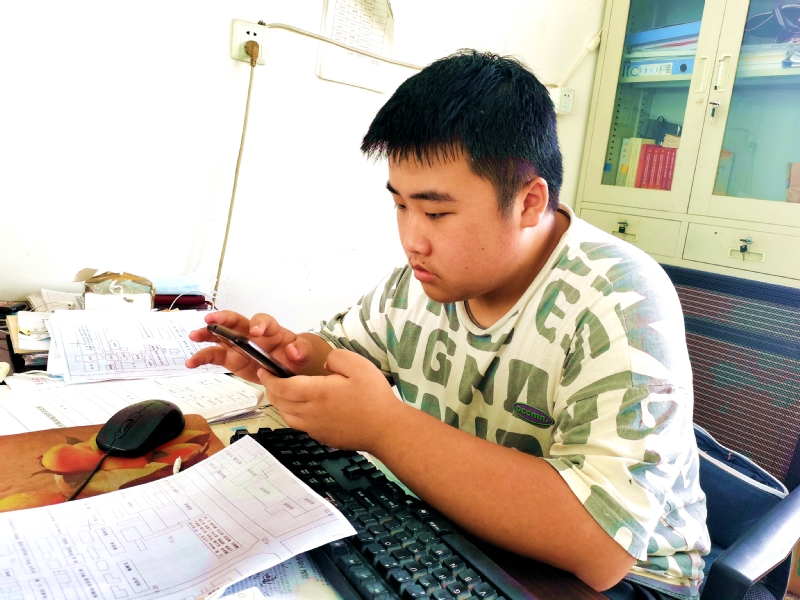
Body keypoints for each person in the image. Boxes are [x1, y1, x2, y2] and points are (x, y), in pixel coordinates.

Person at [187, 50, 710, 598]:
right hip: (461, 533)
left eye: (436, 213)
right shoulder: (425, 281)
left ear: (530, 202)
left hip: (624, 582)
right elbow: (340, 354)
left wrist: (385, 428)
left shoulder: (620, 298)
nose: (413, 239)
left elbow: (600, 548)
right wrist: (286, 357)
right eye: (401, 206)